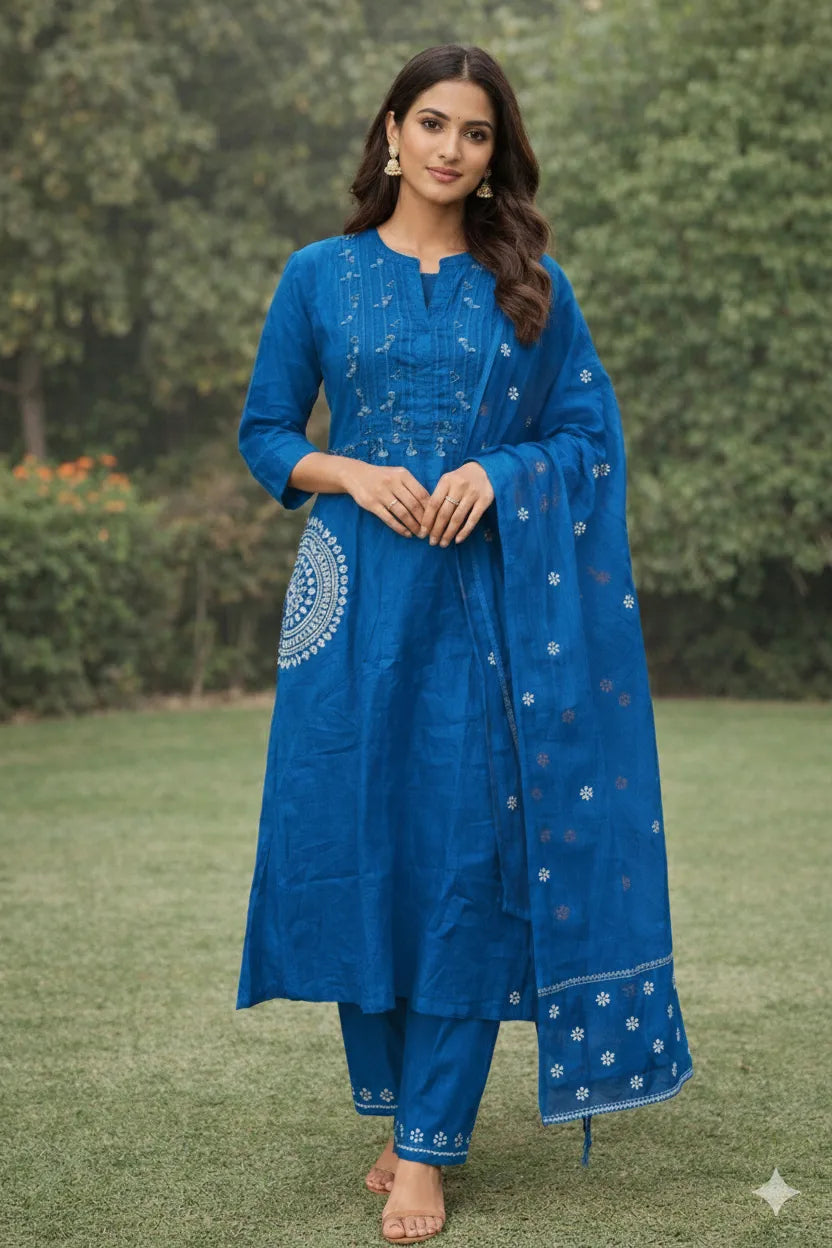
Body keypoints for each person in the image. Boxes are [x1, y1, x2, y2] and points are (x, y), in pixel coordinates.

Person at [235, 43, 694, 1245]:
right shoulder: (318, 275)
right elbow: (267, 430)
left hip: (493, 612)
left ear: (498, 154)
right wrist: (350, 468)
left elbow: (589, 441)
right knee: (354, 844)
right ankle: (395, 1116)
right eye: (430, 123)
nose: (449, 148)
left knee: (466, 861)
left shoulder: (532, 281)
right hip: (349, 606)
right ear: (390, 132)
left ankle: (431, 1146)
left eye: (475, 132)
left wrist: (499, 471)